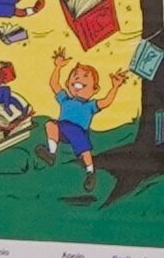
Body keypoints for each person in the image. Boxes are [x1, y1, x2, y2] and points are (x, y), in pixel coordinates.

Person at [39, 50, 132, 194]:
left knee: (84, 151)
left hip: (78, 131)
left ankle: (90, 172)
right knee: (50, 125)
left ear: (95, 89)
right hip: (62, 128)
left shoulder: (90, 105)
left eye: (85, 78)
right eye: (75, 77)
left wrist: (115, 87)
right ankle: (51, 153)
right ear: (68, 84)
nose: (78, 79)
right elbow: (54, 84)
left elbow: (106, 102)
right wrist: (58, 67)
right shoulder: (65, 99)